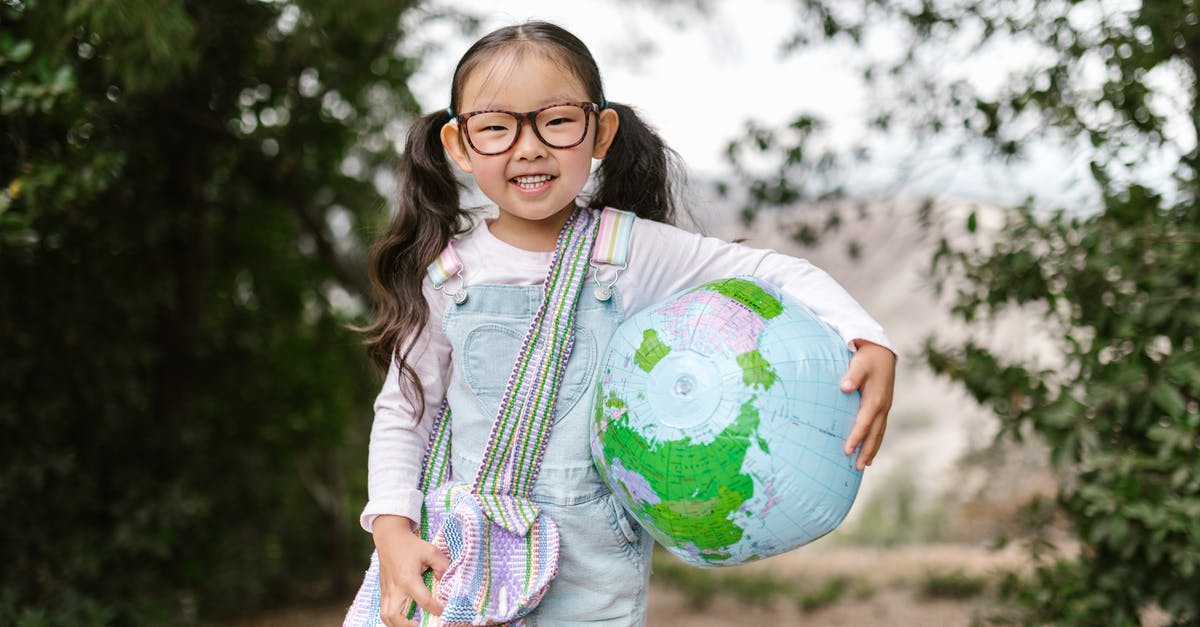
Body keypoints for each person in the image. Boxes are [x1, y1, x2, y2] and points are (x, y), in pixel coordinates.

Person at [356, 20, 897, 627]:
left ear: (600, 132)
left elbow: (769, 270)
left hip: (593, 578)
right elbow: (405, 410)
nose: (528, 147)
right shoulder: (449, 273)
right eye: (496, 127)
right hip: (465, 566)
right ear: (459, 145)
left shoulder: (628, 250)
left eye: (556, 120)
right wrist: (393, 530)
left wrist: (866, 334)